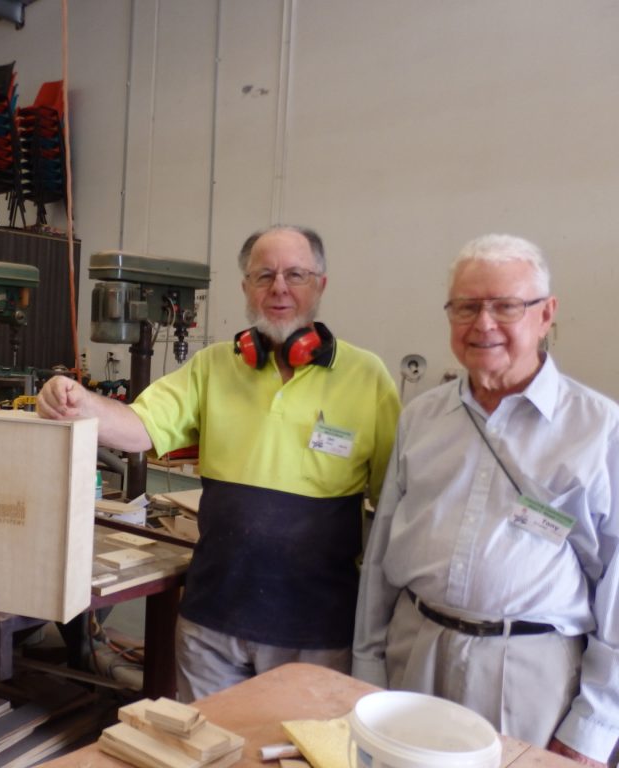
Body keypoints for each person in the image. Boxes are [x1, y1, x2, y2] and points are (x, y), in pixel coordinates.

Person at [38, 225, 400, 700]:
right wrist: (78, 403)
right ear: (246, 287)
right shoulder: (213, 366)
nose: (279, 288)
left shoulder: (366, 376)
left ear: (321, 285)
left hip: (317, 630)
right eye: (264, 275)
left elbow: (394, 505)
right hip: (212, 623)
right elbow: (140, 426)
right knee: (208, 750)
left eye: (296, 274)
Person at [353, 234, 619, 767]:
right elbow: (381, 555)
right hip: (416, 650)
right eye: (467, 307)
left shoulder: (599, 428)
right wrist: (367, 667)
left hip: (529, 672)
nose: (484, 324)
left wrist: (594, 724)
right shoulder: (421, 418)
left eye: (506, 306)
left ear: (546, 314)